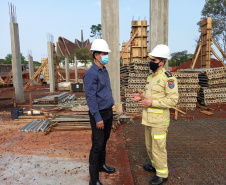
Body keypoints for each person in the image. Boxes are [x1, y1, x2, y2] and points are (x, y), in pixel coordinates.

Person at [131, 44, 179, 185]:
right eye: (151, 59)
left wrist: (152, 103)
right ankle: (154, 165)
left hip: (159, 121)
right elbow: (150, 96)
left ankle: (162, 174)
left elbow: (172, 100)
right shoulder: (151, 77)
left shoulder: (168, 78)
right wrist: (142, 97)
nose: (151, 62)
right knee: (150, 146)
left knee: (158, 148)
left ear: (162, 62)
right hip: (149, 119)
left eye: (154, 60)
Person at [83, 39, 115, 185]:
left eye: (106, 53)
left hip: (108, 112)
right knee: (97, 145)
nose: (106, 56)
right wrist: (97, 117)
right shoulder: (91, 74)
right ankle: (94, 180)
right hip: (99, 115)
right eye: (104, 53)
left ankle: (102, 166)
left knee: (104, 141)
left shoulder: (104, 70)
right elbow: (91, 98)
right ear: (96, 55)